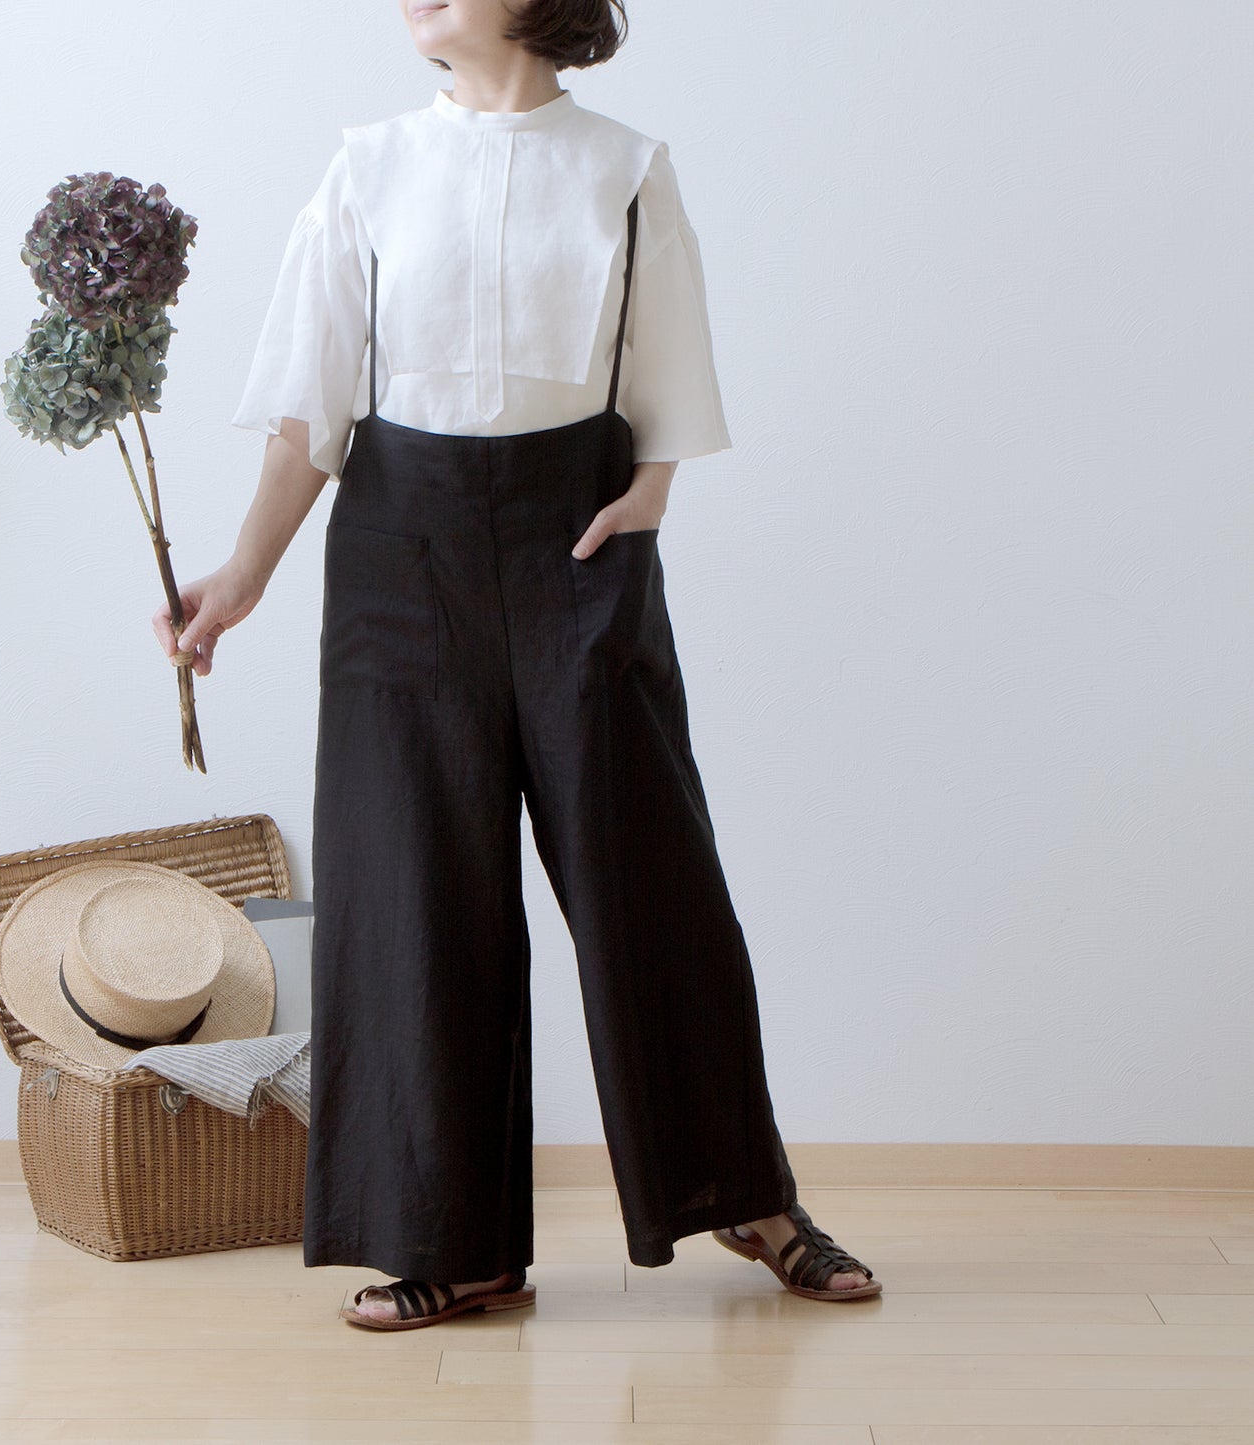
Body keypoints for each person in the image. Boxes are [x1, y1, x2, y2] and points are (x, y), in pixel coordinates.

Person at [154, 0, 881, 1329]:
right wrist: (244, 572)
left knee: (646, 875)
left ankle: (748, 1195)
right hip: (401, 552)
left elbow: (666, 362)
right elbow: (312, 405)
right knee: (411, 891)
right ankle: (452, 1239)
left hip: (579, 539)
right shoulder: (367, 165)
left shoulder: (625, 166)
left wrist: (651, 495)